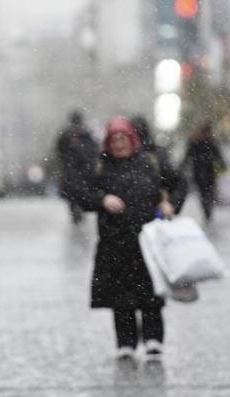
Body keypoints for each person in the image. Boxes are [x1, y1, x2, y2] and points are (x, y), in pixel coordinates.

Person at [76, 117, 179, 361]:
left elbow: (178, 183)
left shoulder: (151, 162)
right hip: (114, 242)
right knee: (120, 296)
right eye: (114, 139)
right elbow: (80, 192)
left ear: (132, 139)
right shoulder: (101, 166)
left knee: (151, 293)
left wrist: (170, 203)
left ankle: (153, 340)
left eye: (123, 138)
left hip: (149, 242)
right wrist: (102, 200)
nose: (119, 144)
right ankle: (126, 342)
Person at [131, 116, 188, 214]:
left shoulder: (156, 157)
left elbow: (179, 182)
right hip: (151, 217)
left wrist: (172, 204)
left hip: (153, 218)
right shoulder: (157, 154)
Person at [55, 110, 99, 224]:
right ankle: (79, 209)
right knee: (81, 191)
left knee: (72, 193)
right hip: (84, 169)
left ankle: (76, 210)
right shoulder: (86, 133)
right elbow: (94, 149)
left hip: (70, 169)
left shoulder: (66, 134)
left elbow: (59, 150)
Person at [183, 122, 224, 223]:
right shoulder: (211, 141)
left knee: (203, 194)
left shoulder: (195, 141)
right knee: (209, 193)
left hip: (199, 172)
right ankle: (208, 211)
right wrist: (222, 165)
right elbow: (219, 156)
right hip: (209, 172)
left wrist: (182, 166)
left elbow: (187, 156)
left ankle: (207, 211)